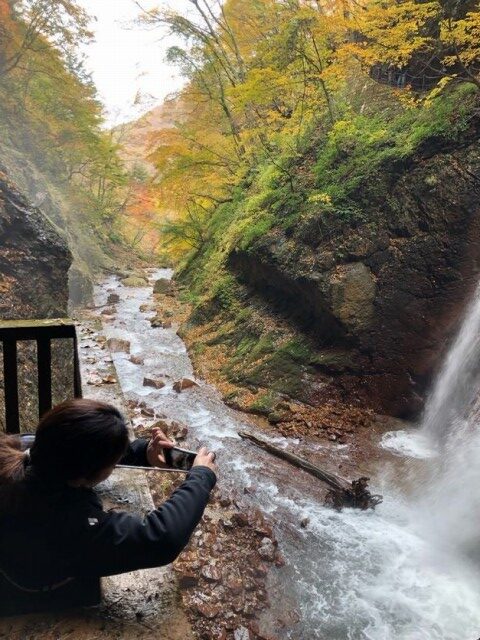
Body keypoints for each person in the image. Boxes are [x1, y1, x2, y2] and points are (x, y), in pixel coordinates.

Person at [0, 398, 217, 616]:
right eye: (112, 463)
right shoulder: (68, 523)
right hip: (30, 594)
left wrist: (143, 453)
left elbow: (78, 448)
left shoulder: (26, 448)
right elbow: (162, 538)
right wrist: (201, 477)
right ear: (85, 475)